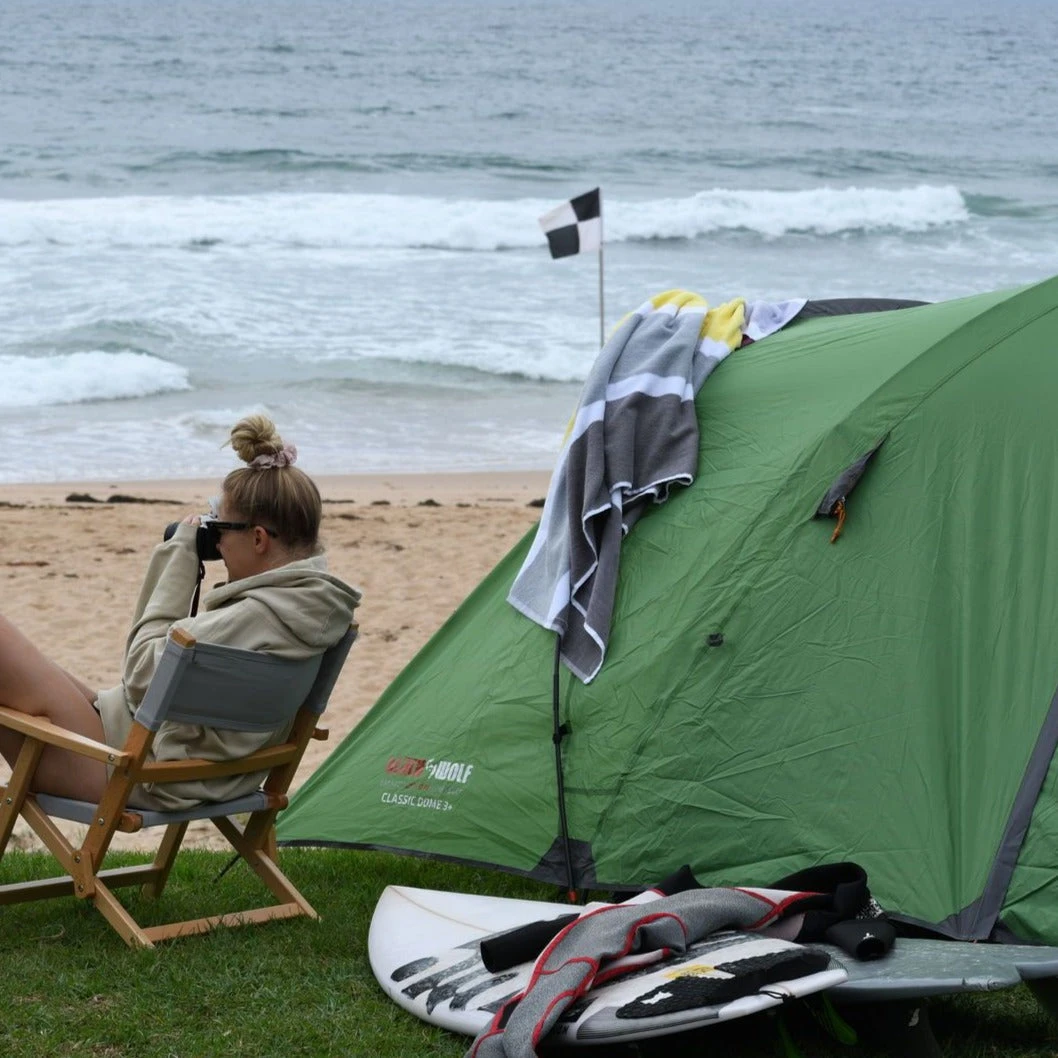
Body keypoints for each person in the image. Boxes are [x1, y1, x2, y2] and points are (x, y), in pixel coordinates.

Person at [0, 414, 361, 811]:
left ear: (258, 539)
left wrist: (179, 560)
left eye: (220, 528)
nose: (217, 542)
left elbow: (139, 673)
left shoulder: (256, 617)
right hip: (212, 774)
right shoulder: (317, 611)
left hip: (130, 771)